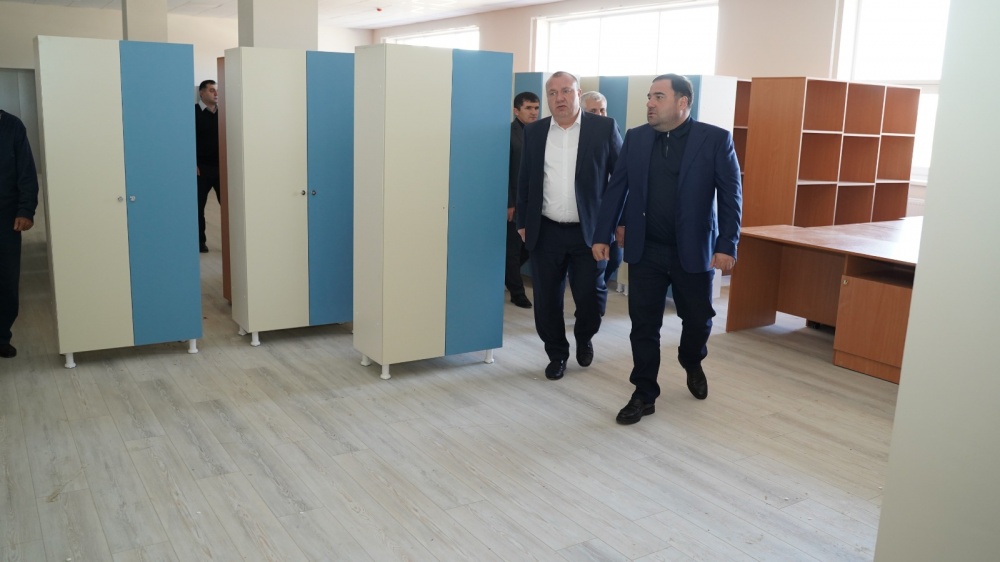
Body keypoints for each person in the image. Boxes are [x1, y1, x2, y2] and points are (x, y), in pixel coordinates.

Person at [592, 74, 741, 424]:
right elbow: (617, 189)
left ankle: (691, 359)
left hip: (694, 250)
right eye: (649, 96)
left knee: (698, 319)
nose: (650, 103)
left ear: (682, 102)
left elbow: (731, 196)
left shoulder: (715, 139)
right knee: (643, 325)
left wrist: (727, 244)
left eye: (659, 97)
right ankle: (644, 392)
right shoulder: (637, 138)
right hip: (647, 250)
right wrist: (602, 234)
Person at [516, 71, 622, 381]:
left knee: (590, 297)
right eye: (552, 93)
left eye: (565, 91)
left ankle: (585, 336)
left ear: (578, 93)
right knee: (547, 299)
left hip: (590, 233)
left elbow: (621, 179)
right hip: (545, 230)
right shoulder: (535, 132)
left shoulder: (603, 128)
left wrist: (619, 223)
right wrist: (523, 222)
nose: (559, 98)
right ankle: (557, 354)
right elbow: (526, 180)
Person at [0, 110, 39, 359]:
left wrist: (26, 210)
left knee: (6, 280)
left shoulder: (13, 126)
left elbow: (26, 171)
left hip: (5, 218)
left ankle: (1, 336)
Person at [581, 90, 624, 288]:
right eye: (593, 111)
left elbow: (622, 175)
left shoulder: (610, 130)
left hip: (609, 210)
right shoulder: (578, 136)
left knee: (614, 258)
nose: (599, 115)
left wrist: (622, 220)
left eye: (602, 110)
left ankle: (600, 289)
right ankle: (596, 293)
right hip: (587, 214)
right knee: (594, 264)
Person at [506, 91, 540, 309]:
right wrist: (509, 203)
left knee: (530, 245)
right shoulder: (509, 134)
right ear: (516, 111)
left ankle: (507, 275)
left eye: (536, 108)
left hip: (535, 202)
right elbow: (505, 171)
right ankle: (517, 292)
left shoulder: (540, 132)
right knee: (514, 249)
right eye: (528, 108)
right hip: (515, 202)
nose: (533, 112)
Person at [195, 79, 220, 253]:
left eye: (217, 90)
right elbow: (187, 139)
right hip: (201, 169)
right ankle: (200, 242)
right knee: (198, 207)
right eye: (212, 90)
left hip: (222, 168)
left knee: (230, 206)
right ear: (202, 93)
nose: (216, 93)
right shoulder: (193, 112)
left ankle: (233, 241)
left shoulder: (224, 113)